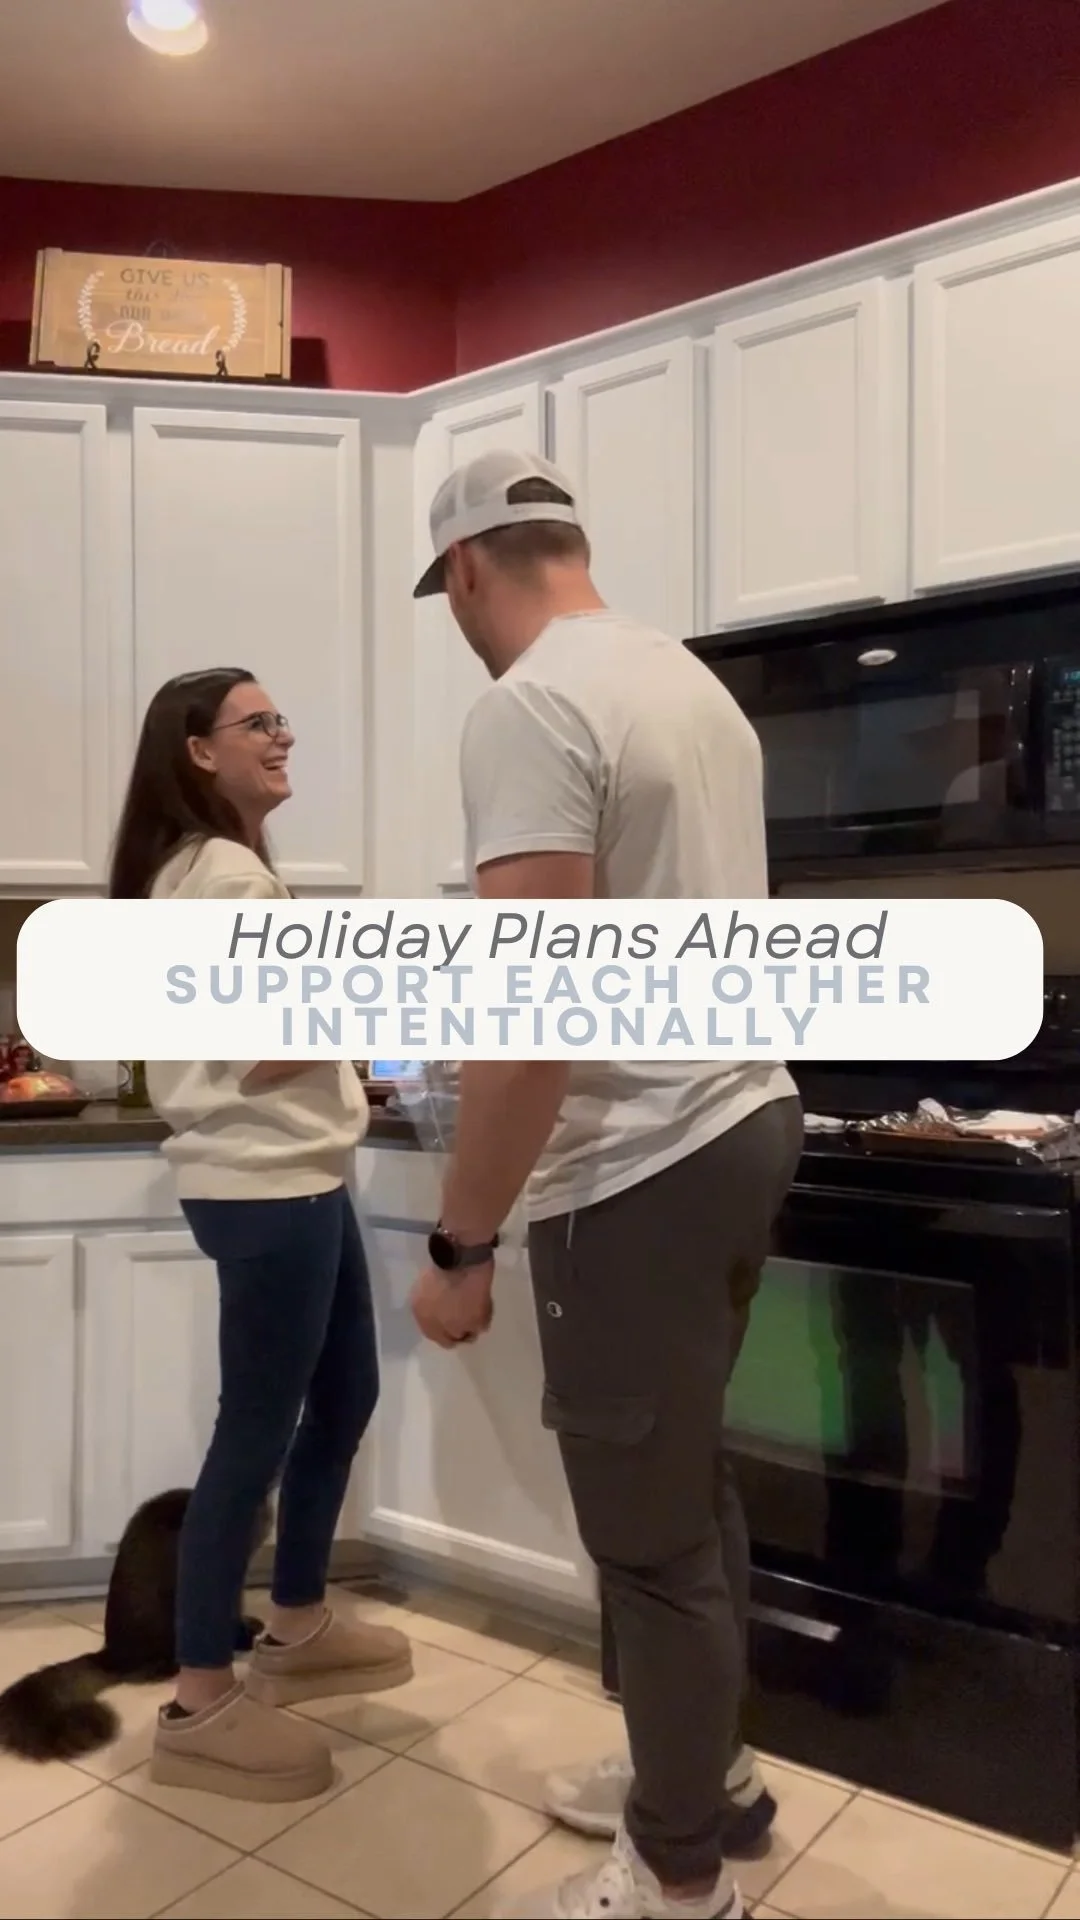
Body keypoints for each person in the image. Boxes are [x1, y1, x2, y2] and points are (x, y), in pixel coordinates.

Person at [409, 452, 803, 1920]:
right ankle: (708, 1777)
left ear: (465, 568)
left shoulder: (529, 704)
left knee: (646, 1542)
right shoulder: (690, 688)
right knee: (688, 1491)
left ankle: (677, 1877)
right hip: (745, 1116)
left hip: (639, 1159)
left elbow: (532, 1013)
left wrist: (461, 1240)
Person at [109, 668, 412, 1803]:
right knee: (255, 1434)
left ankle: (295, 1623)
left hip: (290, 1172)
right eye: (258, 724)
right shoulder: (231, 879)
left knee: (342, 1397)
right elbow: (268, 1045)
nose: (283, 738)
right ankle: (200, 1701)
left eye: (283, 720)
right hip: (267, 1183)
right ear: (199, 752)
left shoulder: (198, 871)